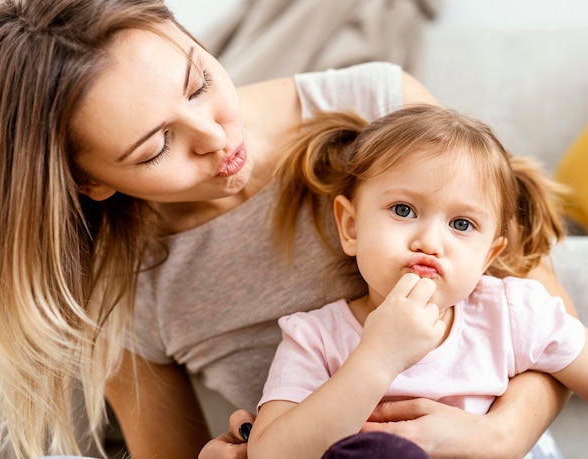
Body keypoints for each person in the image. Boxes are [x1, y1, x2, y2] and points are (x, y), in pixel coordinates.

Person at [0, 1, 577, 458]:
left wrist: (498, 438)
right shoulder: (123, 286)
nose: (216, 138)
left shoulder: (375, 102)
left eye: (199, 82)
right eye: (156, 148)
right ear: (90, 182)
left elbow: (540, 312)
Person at [248, 105, 588, 459]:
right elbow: (270, 454)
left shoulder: (511, 311)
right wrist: (378, 358)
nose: (429, 241)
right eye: (403, 210)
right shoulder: (315, 339)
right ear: (350, 227)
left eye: (461, 224)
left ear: (488, 256)